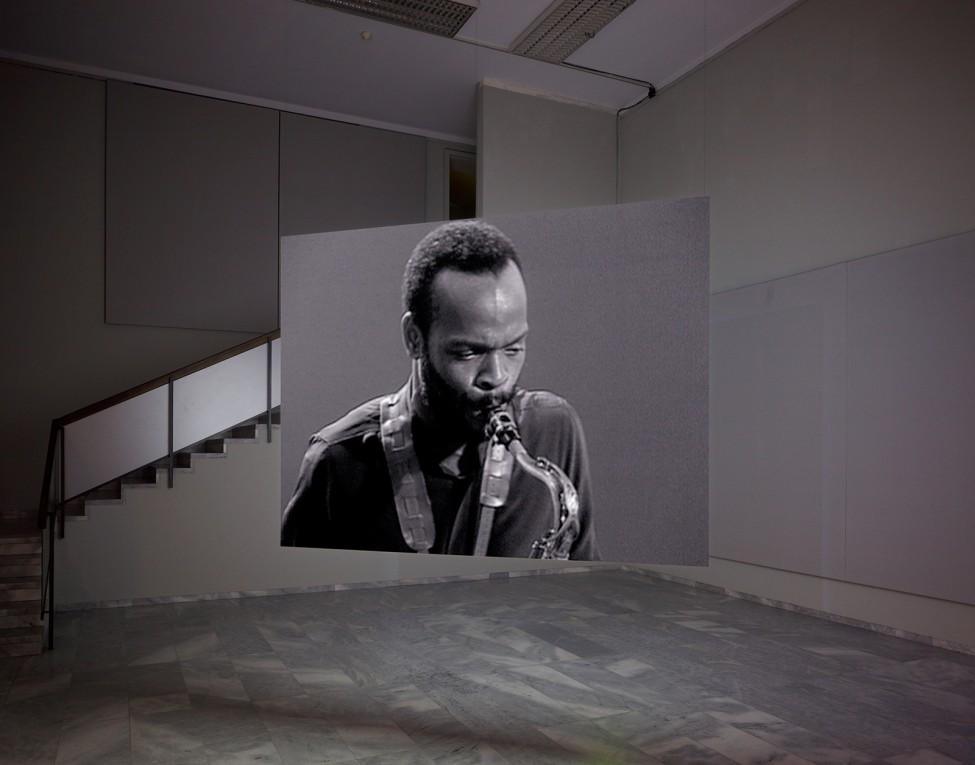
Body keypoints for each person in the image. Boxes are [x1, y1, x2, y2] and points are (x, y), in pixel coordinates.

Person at [281, 220, 599, 559]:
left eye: (513, 348)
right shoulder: (338, 462)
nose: (498, 376)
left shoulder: (554, 429)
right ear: (414, 338)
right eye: (468, 352)